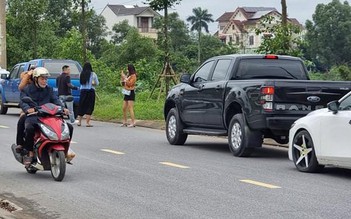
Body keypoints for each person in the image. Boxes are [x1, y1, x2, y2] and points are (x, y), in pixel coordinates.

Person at [20, 67, 73, 166]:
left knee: (69, 127)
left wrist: (63, 108)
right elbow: (23, 101)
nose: (44, 81)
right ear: (36, 79)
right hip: (34, 116)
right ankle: (30, 152)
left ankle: (66, 149)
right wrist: (28, 109)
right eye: (42, 79)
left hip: (49, 116)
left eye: (46, 79)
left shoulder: (49, 89)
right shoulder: (27, 89)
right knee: (29, 128)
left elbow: (56, 100)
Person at [15, 65, 35, 153]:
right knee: (22, 119)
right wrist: (28, 75)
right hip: (28, 106)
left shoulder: (43, 85)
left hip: (40, 108)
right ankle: (21, 143)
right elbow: (21, 87)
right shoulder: (25, 77)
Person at [77, 62, 99, 127]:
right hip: (91, 91)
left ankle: (79, 121)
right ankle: (87, 123)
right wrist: (93, 83)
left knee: (81, 105)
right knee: (90, 106)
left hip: (83, 91)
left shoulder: (81, 74)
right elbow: (97, 83)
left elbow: (80, 83)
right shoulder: (93, 74)